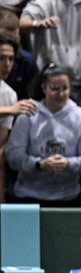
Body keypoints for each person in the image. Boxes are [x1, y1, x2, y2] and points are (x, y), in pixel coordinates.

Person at [6, 65, 81, 206]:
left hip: (68, 197)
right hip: (29, 195)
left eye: (64, 88)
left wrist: (68, 164)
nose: (60, 94)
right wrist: (39, 164)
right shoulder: (28, 116)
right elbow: (13, 156)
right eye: (54, 89)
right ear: (44, 88)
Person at [0, 35, 36, 201]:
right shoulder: (11, 106)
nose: (7, 64)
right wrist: (9, 110)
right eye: (1, 58)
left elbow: (1, 144)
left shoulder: (9, 94)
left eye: (11, 59)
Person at [0, 4, 38, 100]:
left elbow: (33, 98)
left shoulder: (27, 62)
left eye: (15, 39)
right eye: (6, 39)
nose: (11, 45)